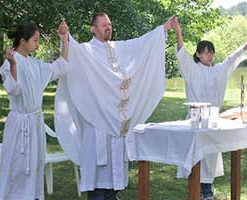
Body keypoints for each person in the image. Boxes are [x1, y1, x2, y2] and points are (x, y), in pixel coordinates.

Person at [54, 13, 177, 200]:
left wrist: (164, 28)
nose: (108, 27)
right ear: (93, 29)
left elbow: (141, 44)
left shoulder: (120, 49)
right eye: (103, 25)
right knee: (97, 179)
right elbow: (71, 57)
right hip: (95, 122)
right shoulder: (85, 51)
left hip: (116, 124)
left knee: (113, 181)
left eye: (109, 24)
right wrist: (66, 39)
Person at [173, 18, 247, 200]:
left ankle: (207, 191)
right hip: (195, 119)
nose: (209, 55)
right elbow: (182, 53)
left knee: (210, 156)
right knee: (196, 157)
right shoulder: (192, 69)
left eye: (211, 52)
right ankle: (196, 190)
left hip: (212, 119)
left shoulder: (218, 70)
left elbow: (234, 56)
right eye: (205, 52)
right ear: (198, 54)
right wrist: (178, 32)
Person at [0, 20, 71, 200]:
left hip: (34, 122)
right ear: (23, 40)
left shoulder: (35, 64)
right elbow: (13, 89)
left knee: (35, 163)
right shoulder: (9, 63)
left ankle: (31, 196)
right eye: (35, 40)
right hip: (19, 124)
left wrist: (65, 41)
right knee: (18, 165)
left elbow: (59, 67)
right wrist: (13, 65)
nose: (37, 44)